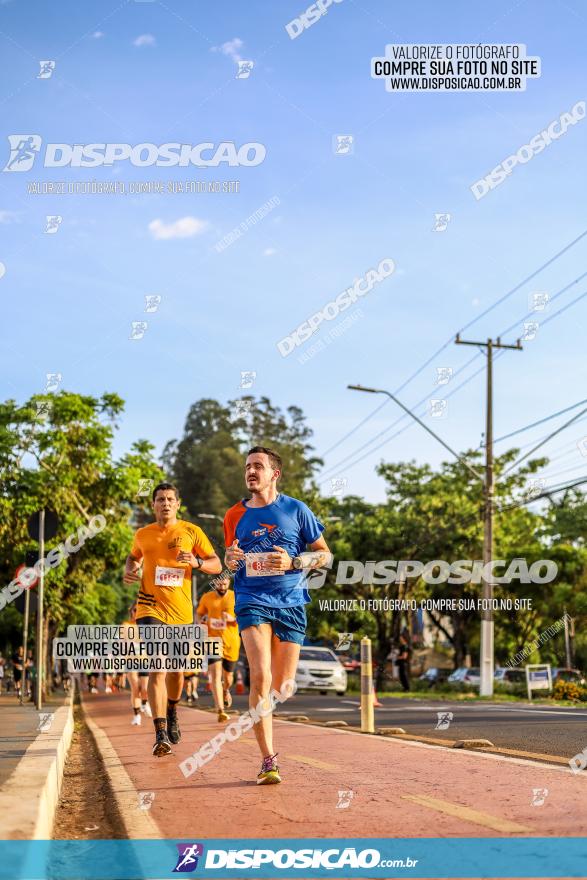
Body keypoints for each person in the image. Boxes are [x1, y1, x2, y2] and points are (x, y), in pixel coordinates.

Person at [224, 446, 331, 785]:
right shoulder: (233, 516)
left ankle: (267, 711)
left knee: (283, 687)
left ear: (274, 474)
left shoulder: (297, 510)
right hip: (250, 598)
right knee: (260, 676)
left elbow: (325, 556)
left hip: (291, 600)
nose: (251, 472)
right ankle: (268, 760)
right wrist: (230, 562)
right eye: (247, 467)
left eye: (258, 466)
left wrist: (295, 562)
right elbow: (230, 558)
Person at [124, 481, 222, 757]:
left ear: (177, 504)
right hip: (149, 609)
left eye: (170, 499)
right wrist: (131, 569)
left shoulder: (192, 531)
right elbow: (132, 559)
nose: (165, 503)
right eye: (160, 499)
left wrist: (197, 563)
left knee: (177, 672)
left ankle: (172, 709)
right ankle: (160, 733)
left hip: (181, 614)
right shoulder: (143, 534)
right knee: (158, 666)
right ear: (153, 504)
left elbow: (217, 564)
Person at [196, 574, 240, 723]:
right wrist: (201, 622)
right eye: (219, 583)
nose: (221, 585)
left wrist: (233, 619)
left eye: (224, 583)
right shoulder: (207, 597)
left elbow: (244, 614)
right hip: (212, 639)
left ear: (228, 582)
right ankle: (220, 709)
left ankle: (226, 690)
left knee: (228, 678)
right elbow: (200, 614)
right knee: (215, 674)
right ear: (215, 583)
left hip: (231, 641)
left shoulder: (236, 596)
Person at [122, 601, 152, 726]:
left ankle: (145, 703)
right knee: (135, 687)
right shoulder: (126, 625)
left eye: (139, 610)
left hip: (144, 660)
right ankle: (136, 715)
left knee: (144, 689)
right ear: (131, 612)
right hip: (130, 661)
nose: (136, 612)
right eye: (135, 610)